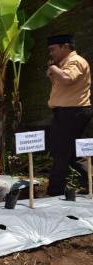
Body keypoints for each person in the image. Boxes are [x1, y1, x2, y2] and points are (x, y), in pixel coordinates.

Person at [46, 34, 93, 196]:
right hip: (69, 113)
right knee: (73, 154)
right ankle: (90, 184)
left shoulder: (76, 61)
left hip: (72, 113)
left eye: (53, 49)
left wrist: (52, 69)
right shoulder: (63, 63)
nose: (51, 53)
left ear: (66, 46)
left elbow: (67, 79)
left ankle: (54, 192)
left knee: (61, 152)